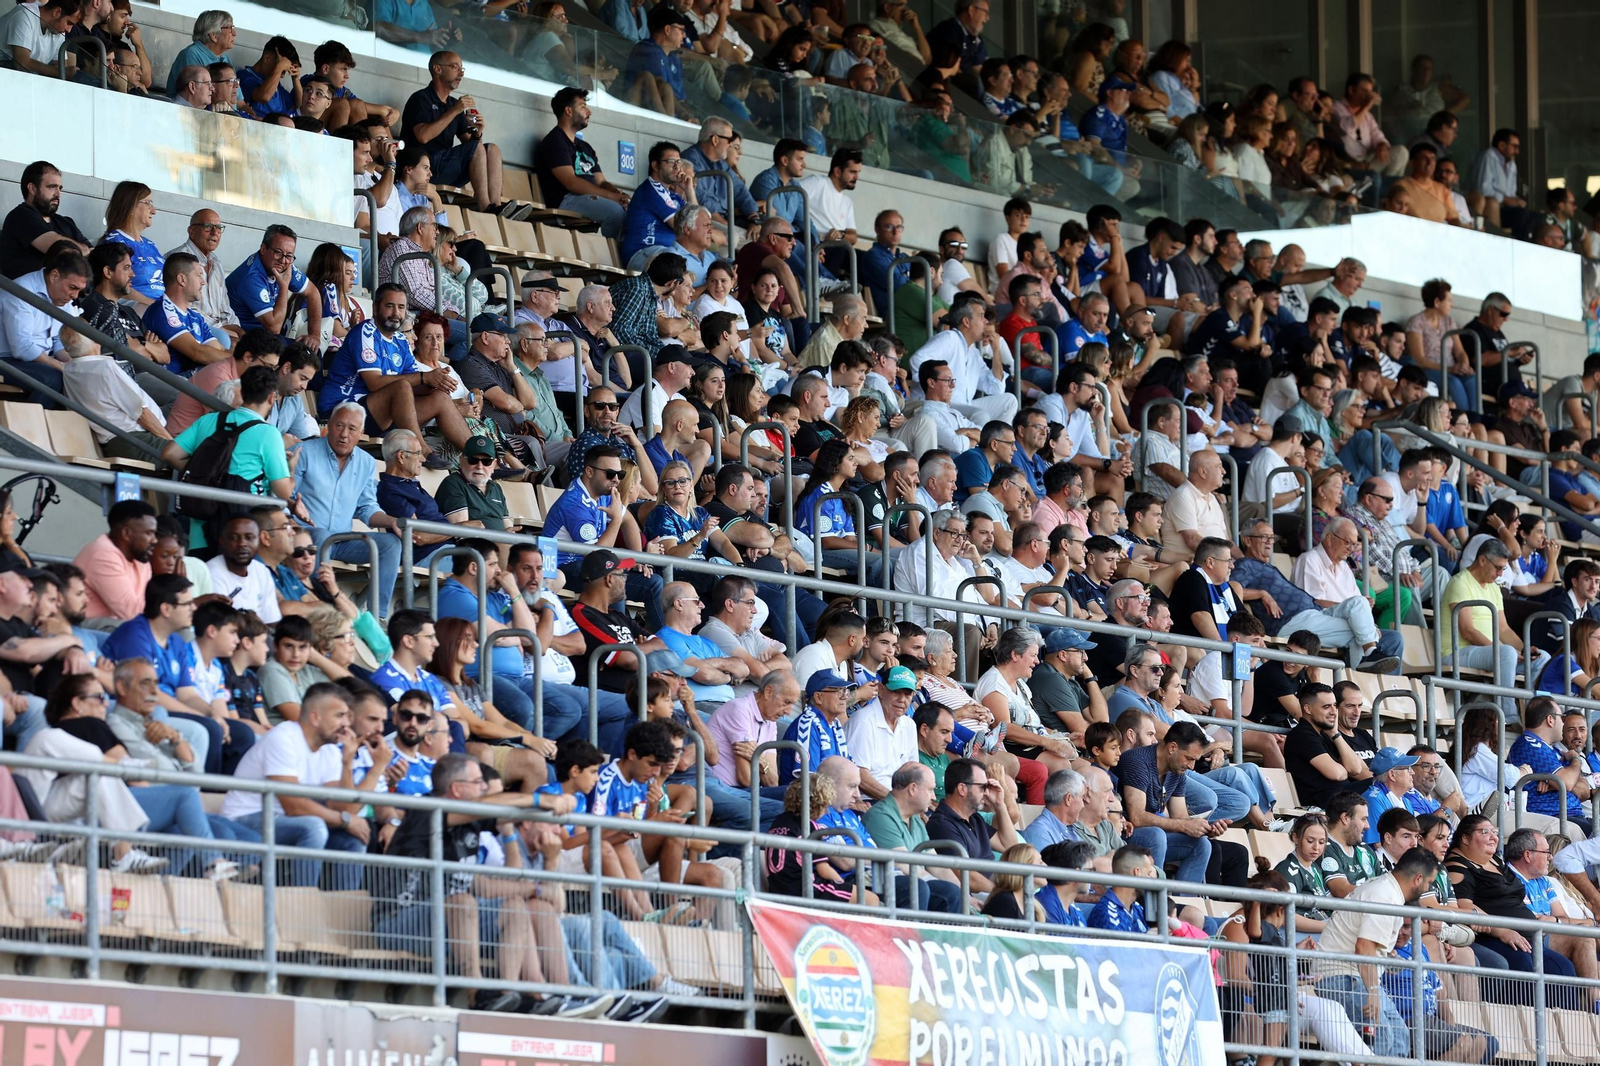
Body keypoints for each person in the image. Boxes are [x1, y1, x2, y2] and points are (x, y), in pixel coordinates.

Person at [215, 682, 367, 888]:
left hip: (285, 821)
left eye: (347, 717)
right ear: (315, 717)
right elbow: (293, 805)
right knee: (313, 827)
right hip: (245, 818)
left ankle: (345, 904)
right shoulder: (283, 738)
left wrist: (347, 763)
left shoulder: (330, 749)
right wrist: (345, 820)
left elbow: (342, 807)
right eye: (339, 715)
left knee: (353, 839)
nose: (346, 724)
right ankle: (302, 900)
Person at [400, 51, 523, 219]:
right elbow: (423, 136)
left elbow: (471, 144)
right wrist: (455, 111)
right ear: (437, 69)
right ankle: (485, 207)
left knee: (492, 149)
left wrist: (477, 131)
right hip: (423, 167)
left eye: (462, 68)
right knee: (476, 148)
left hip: (446, 166)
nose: (461, 73)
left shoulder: (453, 104)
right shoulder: (421, 99)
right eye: (454, 67)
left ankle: (496, 206)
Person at [1441, 539, 1549, 716]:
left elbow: (1504, 629)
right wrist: (1501, 649)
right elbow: (1467, 630)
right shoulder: (1460, 583)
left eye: (1503, 569)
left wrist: (1524, 649)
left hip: (1490, 653)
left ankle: (1536, 716)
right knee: (1506, 653)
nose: (1500, 574)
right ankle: (1508, 715)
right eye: (1498, 568)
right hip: (1457, 652)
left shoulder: (1494, 588)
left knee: (1542, 658)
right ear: (1482, 560)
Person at [534, 88, 630, 237]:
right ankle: (614, 251)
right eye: (583, 106)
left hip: (587, 198)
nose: (589, 112)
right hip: (566, 199)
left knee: (630, 210)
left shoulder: (585, 147)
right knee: (615, 212)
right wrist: (610, 197)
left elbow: (601, 182)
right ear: (568, 111)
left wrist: (617, 194)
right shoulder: (555, 141)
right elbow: (571, 182)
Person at [0, 244, 88, 403]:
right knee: (52, 379)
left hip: (39, 357)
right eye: (72, 287)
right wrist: (61, 367)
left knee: (83, 374)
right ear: (54, 276)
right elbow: (22, 348)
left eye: (79, 290)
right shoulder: (21, 291)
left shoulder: (62, 295)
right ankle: (32, 420)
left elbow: (57, 340)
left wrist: (73, 363)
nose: (75, 296)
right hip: (6, 358)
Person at [927, 758, 1019, 893]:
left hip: (993, 890)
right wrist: (1003, 895)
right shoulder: (941, 825)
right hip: (978, 896)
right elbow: (967, 877)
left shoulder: (974, 818)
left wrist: (999, 804)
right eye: (983, 787)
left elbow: (1010, 846)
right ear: (962, 789)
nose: (986, 793)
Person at [1285, 683, 1374, 812]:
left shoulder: (1326, 734)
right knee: (1381, 785)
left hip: (1342, 797)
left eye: (1334, 705)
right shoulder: (1302, 735)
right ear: (1308, 709)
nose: (1333, 712)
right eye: (1326, 707)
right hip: (1325, 802)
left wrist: (1335, 734)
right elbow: (1337, 774)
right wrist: (1344, 770)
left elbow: (1355, 769)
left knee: (1384, 784)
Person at [1, 161, 91, 280]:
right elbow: (59, 248)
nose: (58, 194)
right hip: (25, 291)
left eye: (60, 188)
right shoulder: (20, 216)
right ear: (32, 188)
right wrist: (83, 250)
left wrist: (81, 251)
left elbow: (94, 255)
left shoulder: (66, 222)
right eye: (52, 187)